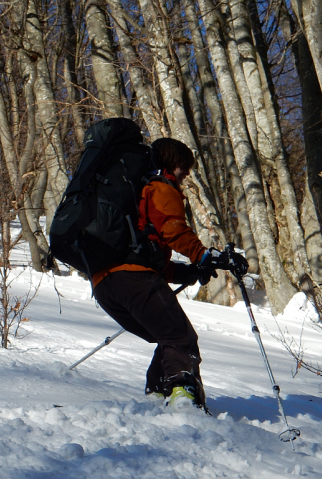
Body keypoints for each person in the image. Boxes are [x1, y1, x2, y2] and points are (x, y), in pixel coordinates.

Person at [91, 137, 246, 412]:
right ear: (172, 164)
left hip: (106, 283)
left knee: (167, 334)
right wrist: (203, 254)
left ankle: (156, 397)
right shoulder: (160, 188)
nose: (186, 175)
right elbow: (173, 229)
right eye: (184, 169)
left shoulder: (133, 195)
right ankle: (182, 397)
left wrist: (187, 271)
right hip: (134, 279)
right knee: (179, 337)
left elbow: (143, 256)